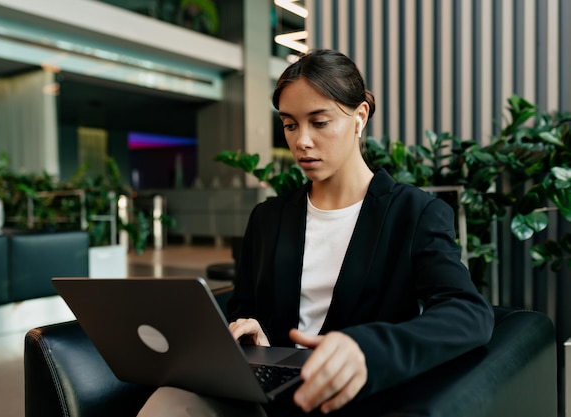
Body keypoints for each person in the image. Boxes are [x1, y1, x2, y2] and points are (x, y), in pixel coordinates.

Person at [138, 48, 494, 416]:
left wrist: (365, 348)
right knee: (169, 399)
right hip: (266, 395)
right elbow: (245, 306)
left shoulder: (414, 213)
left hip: (346, 398)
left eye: (319, 122)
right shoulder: (268, 217)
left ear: (360, 117)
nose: (301, 141)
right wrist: (253, 334)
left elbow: (468, 312)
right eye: (290, 124)